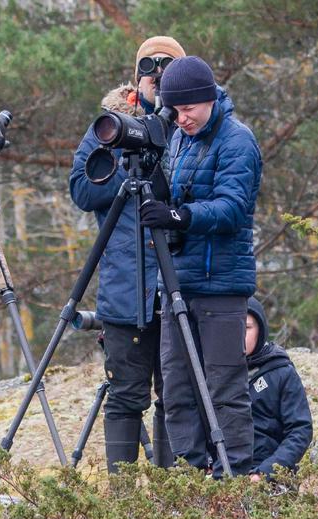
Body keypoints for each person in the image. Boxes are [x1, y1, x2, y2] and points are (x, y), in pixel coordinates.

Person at [140, 55, 263, 477]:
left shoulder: (237, 140)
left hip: (222, 286)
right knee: (175, 389)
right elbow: (174, 193)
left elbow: (232, 209)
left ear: (208, 98)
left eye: (188, 108)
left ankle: (233, 477)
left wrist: (177, 216)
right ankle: (190, 478)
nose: (181, 117)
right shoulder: (178, 137)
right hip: (178, 282)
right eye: (174, 110)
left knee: (225, 389)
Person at [69, 36, 186, 472]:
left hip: (178, 281)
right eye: (149, 67)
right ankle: (123, 507)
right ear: (136, 75)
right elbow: (81, 190)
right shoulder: (111, 125)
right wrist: (121, 159)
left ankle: (170, 498)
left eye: (167, 68)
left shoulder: (192, 126)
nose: (156, 74)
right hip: (125, 286)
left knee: (176, 394)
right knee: (125, 395)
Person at [245, 297, 313, 481]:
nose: (238, 334)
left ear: (261, 330)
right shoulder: (214, 372)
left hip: (270, 476)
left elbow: (300, 430)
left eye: (246, 328)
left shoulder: (281, 371)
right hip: (224, 474)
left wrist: (265, 472)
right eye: (232, 327)